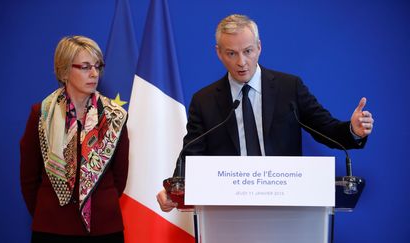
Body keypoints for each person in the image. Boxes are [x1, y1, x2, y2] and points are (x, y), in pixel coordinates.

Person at [156, 14, 374, 212]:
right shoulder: (204, 100)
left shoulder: (290, 88)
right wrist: (174, 189)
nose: (241, 62)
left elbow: (325, 129)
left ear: (259, 47)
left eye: (248, 51)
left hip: (286, 205)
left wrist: (352, 131)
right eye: (231, 53)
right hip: (227, 211)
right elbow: (191, 154)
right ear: (219, 53)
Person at [20, 35, 129, 242]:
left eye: (97, 66)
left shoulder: (116, 117)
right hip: (52, 227)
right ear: (64, 70)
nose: (94, 73)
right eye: (85, 67)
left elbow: (119, 178)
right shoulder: (41, 114)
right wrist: (49, 213)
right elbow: (28, 178)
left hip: (104, 228)